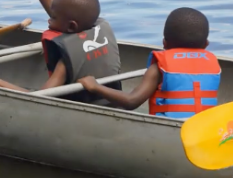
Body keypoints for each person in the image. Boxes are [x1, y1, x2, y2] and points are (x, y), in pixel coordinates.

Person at [0, 0, 121, 104]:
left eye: (53, 18)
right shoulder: (101, 37)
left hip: (82, 112)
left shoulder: (65, 63)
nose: (49, 21)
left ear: (72, 27)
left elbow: (39, 98)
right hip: (111, 103)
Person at [78, 7, 220, 118]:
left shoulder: (158, 68)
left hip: (173, 131)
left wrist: (95, 86)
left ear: (164, 43)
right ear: (206, 44)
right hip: (205, 129)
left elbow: (131, 101)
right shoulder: (212, 64)